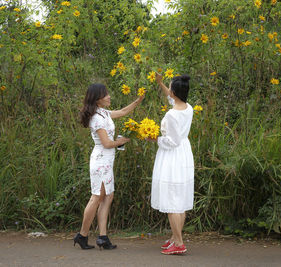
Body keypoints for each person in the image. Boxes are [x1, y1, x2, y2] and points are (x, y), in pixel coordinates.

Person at [74, 83, 144, 250]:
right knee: (97, 197)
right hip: (100, 161)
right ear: (97, 98)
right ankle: (82, 235)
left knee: (107, 196)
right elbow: (106, 143)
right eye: (106, 94)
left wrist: (138, 100)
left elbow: (123, 112)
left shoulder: (103, 112)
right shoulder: (97, 118)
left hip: (106, 161)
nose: (109, 96)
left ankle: (103, 237)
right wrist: (120, 141)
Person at [148, 73, 194, 255]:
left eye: (169, 88)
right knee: (179, 198)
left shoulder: (171, 114)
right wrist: (160, 83)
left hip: (172, 156)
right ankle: (176, 238)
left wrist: (154, 138)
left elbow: (172, 141)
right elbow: (172, 98)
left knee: (172, 199)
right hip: (183, 153)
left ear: (175, 92)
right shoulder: (187, 107)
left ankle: (179, 243)